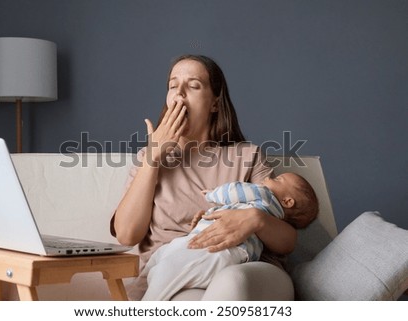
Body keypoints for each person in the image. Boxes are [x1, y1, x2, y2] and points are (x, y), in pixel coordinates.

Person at [111, 54, 298, 300]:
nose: (179, 95)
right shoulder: (149, 158)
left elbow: (288, 241)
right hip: (177, 276)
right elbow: (126, 235)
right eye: (173, 86)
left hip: (246, 268)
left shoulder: (247, 155)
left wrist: (256, 219)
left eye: (193, 85)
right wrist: (153, 158)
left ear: (215, 104)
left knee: (231, 282)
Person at [141, 173, 319, 300]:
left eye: (277, 179)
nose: (268, 179)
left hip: (222, 249)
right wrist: (206, 220)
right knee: (166, 256)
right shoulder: (272, 213)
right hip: (232, 255)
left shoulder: (264, 195)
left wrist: (213, 194)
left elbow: (235, 190)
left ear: (287, 201)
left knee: (169, 267)